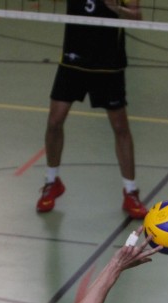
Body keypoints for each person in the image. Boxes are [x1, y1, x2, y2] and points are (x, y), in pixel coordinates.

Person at [36, 0, 147, 218]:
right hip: (73, 60)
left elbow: (137, 17)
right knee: (54, 122)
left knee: (120, 128)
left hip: (108, 64)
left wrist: (118, 9)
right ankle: (52, 181)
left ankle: (131, 192)